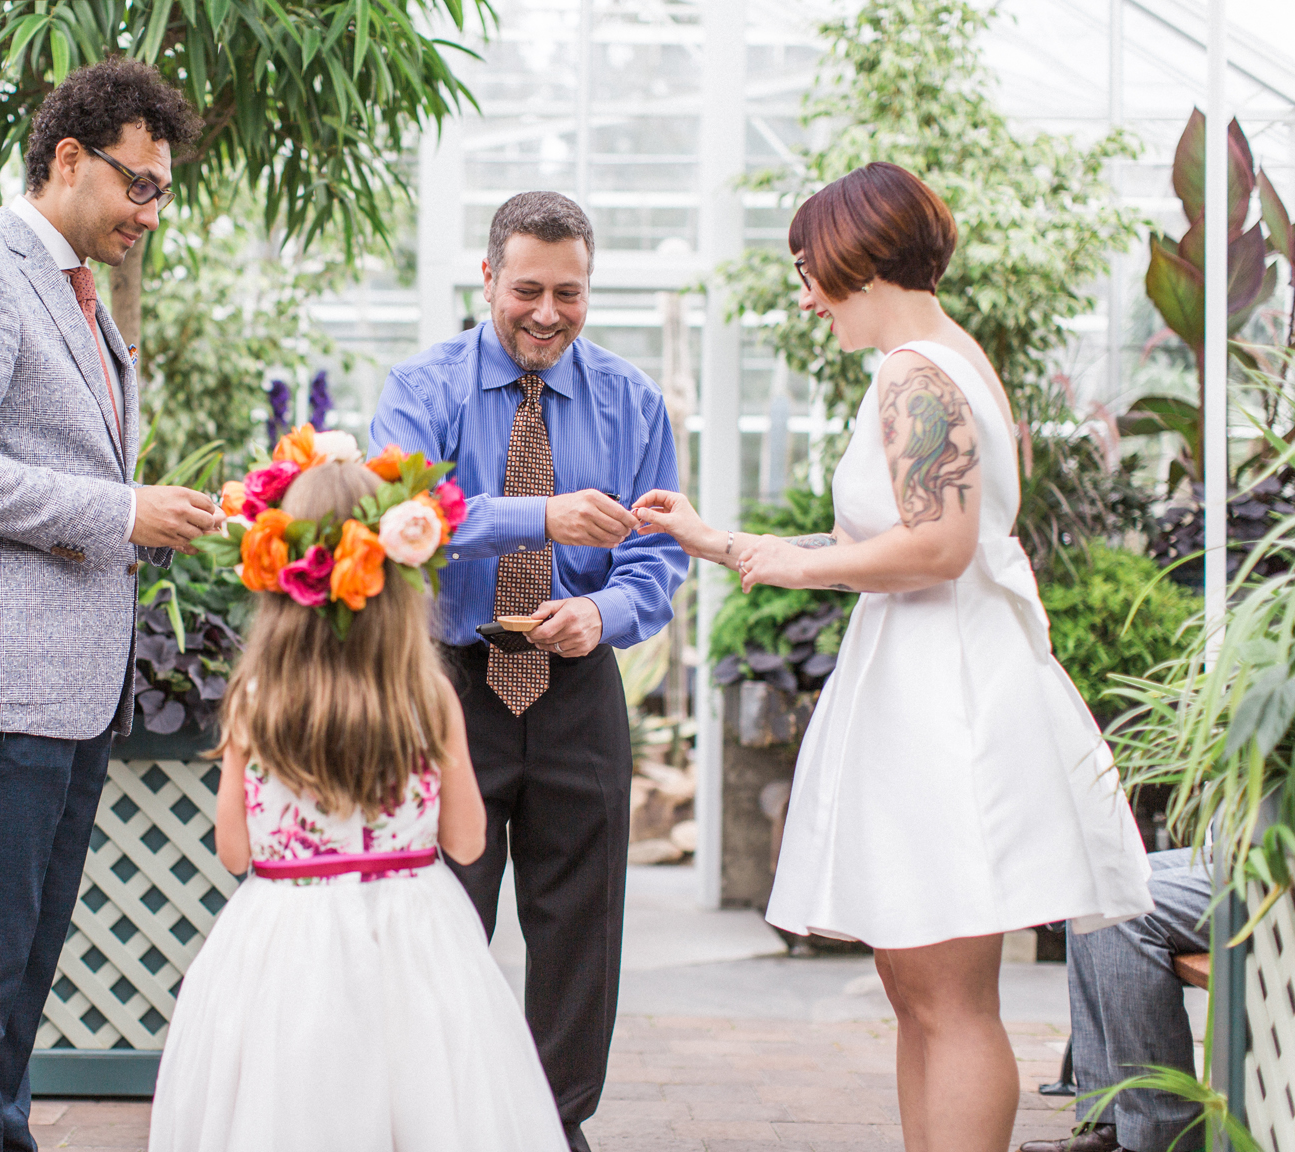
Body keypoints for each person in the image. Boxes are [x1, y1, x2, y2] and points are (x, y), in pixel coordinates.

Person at [633, 161, 1152, 1152]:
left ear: (856, 259)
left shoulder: (917, 371)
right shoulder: (947, 358)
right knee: (918, 989)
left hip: (945, 702)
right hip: (936, 678)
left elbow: (940, 546)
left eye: (808, 267)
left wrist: (770, 564)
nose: (803, 292)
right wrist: (726, 541)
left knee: (947, 998)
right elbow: (927, 531)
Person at [0, 58, 221, 1152]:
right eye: (137, 185)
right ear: (70, 159)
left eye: (163, 191)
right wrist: (117, 511)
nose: (151, 210)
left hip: (68, 689)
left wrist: (142, 510)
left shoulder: (79, 293)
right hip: (1, 686)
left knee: (24, 966)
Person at [369, 190, 688, 1152]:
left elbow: (659, 553)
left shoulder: (632, 401)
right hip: (450, 686)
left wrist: (604, 610)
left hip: (576, 689)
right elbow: (400, 524)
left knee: (580, 929)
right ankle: (448, 1123)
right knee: (443, 920)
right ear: (489, 280)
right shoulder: (422, 389)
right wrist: (535, 516)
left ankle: (553, 1128)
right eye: (528, 290)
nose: (547, 312)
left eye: (571, 293)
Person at [149, 456, 566, 1152]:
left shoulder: (255, 699)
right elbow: (467, 843)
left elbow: (234, 851)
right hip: (411, 928)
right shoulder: (427, 698)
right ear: (395, 574)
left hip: (283, 931)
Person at [1020, 850, 1212, 1152]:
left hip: (1272, 861)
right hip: (1227, 849)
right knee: (1092, 882)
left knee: (1121, 905)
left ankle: (1160, 1136)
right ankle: (1109, 1119)